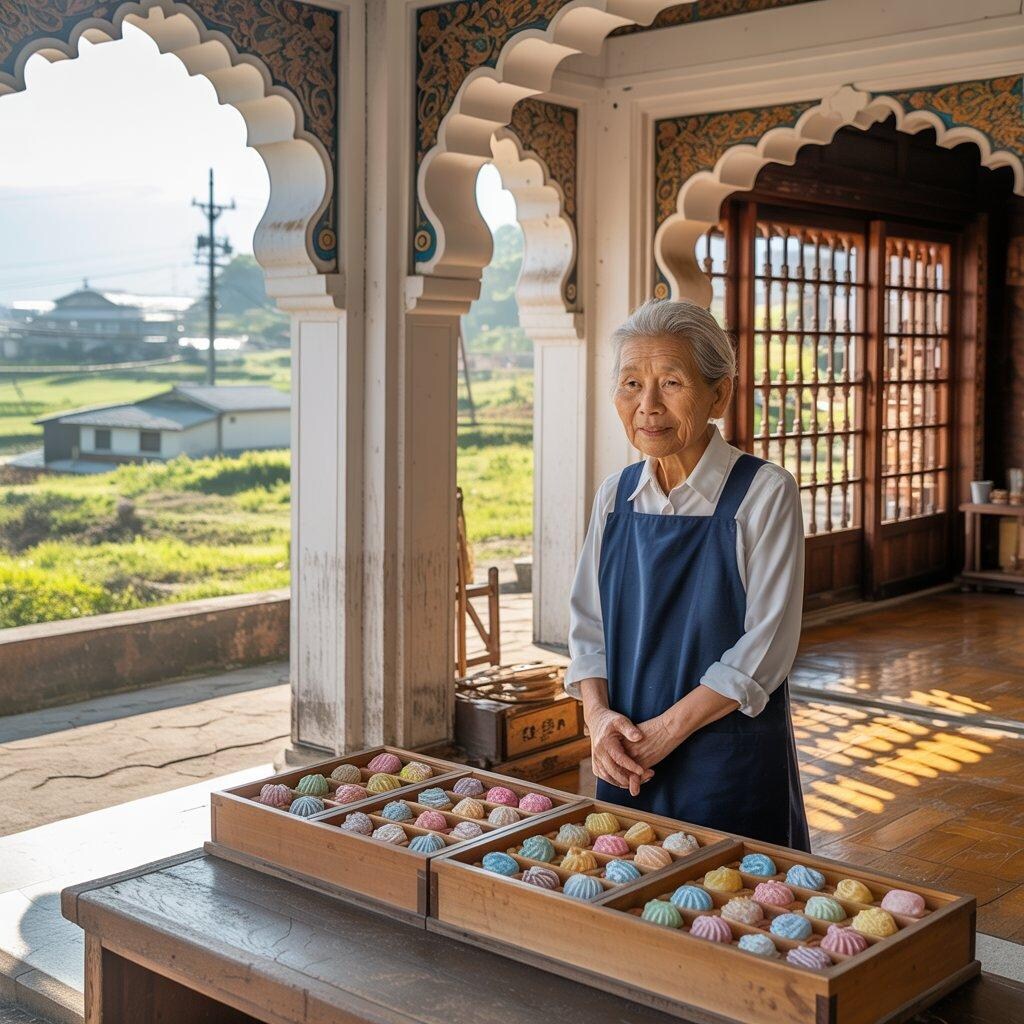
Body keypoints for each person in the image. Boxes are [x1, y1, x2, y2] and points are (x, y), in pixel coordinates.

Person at [563, 298, 810, 850]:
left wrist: (664, 733)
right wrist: (598, 719)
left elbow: (766, 647)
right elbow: (587, 625)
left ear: (719, 394)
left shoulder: (764, 492)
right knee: (626, 882)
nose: (647, 406)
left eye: (671, 383)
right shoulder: (615, 495)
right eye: (631, 384)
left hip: (725, 757)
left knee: (735, 896)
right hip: (626, 751)